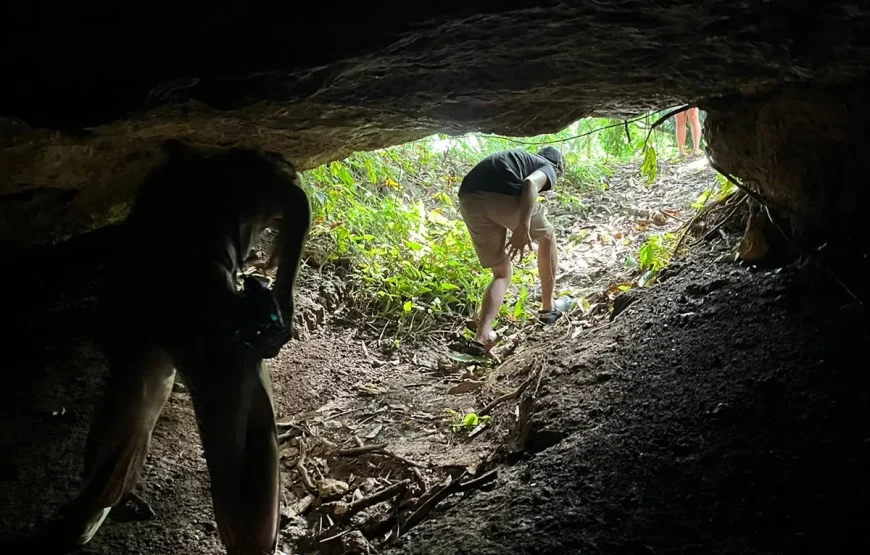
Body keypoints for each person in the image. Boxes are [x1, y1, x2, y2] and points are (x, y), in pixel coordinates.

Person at [45, 140, 310, 555]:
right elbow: (296, 202)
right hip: (205, 292)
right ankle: (254, 546)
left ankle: (84, 517)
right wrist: (284, 298)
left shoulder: (178, 189)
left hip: (139, 295)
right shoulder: (265, 185)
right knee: (247, 430)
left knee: (130, 410)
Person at [451, 146, 566, 356]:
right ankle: (549, 309)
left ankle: (482, 337)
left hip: (468, 198)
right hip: (501, 193)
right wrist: (522, 225)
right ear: (558, 168)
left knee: (502, 272)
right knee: (548, 235)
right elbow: (530, 183)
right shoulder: (548, 166)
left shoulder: (520, 159)